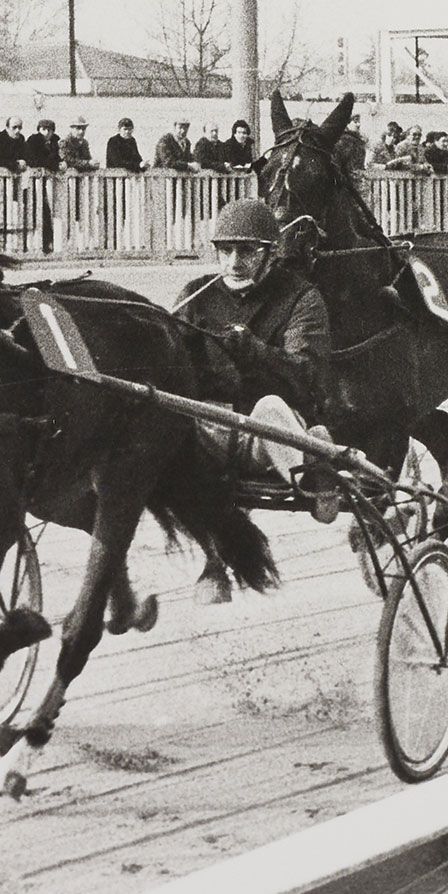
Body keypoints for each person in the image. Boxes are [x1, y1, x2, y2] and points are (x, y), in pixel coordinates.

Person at [177, 199, 332, 604]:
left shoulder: (302, 298)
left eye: (246, 251)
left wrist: (255, 352)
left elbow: (306, 377)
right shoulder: (196, 296)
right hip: (209, 428)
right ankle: (215, 559)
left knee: (269, 409)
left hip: (266, 435)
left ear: (271, 253)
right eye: (225, 250)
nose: (233, 262)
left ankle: (315, 471)